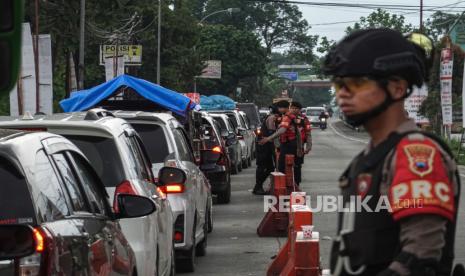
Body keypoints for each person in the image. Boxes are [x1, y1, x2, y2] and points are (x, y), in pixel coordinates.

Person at [323, 29, 462, 276]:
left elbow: (421, 254)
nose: (342, 93)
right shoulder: (372, 154)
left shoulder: (414, 154)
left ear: (397, 89)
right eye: (339, 84)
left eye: (357, 83)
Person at [259, 101, 312, 186]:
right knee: (295, 166)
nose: (294, 110)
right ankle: (292, 185)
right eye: (292, 108)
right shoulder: (289, 117)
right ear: (290, 108)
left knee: (285, 166)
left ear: (300, 110)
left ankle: (288, 185)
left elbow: (308, 134)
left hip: (290, 145)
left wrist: (309, 146)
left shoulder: (291, 118)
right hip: (292, 145)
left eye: (296, 108)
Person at [253, 104, 279, 195]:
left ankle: (258, 186)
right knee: (262, 167)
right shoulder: (272, 118)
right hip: (264, 145)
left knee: (270, 168)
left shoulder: (273, 117)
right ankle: (258, 187)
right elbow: (272, 134)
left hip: (266, 144)